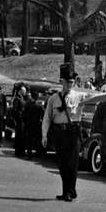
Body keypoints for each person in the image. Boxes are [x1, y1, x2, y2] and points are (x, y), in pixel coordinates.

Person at [42, 63, 82, 202]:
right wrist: (44, 135)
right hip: (59, 134)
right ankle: (66, 191)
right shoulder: (53, 99)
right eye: (68, 82)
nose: (70, 84)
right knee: (62, 165)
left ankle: (70, 191)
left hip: (73, 133)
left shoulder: (79, 96)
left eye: (72, 82)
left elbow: (97, 98)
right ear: (62, 81)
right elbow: (47, 118)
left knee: (72, 164)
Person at [11, 85, 27, 157]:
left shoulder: (22, 98)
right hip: (19, 120)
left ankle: (21, 151)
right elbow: (15, 110)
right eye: (24, 91)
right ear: (21, 91)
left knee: (22, 136)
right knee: (19, 136)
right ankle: (18, 151)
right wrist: (20, 115)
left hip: (22, 120)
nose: (25, 92)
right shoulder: (17, 99)